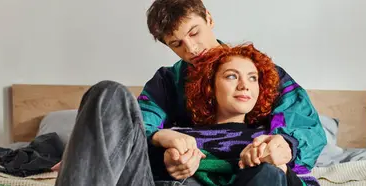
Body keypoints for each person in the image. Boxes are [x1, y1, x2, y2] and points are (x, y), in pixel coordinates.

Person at [54, 44, 314, 186]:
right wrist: (159, 142)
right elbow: (127, 161)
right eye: (232, 76)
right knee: (108, 92)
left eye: (253, 78)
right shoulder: (173, 135)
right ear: (209, 87)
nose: (245, 85)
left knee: (269, 174)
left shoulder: (270, 141)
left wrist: (280, 168)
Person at [142, 0, 326, 184]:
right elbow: (135, 131)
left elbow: (305, 126)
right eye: (176, 44)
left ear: (209, 18)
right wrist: (159, 140)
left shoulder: (265, 73)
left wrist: (285, 146)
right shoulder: (166, 82)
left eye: (194, 32)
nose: (191, 49)